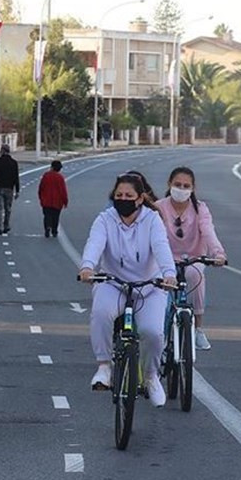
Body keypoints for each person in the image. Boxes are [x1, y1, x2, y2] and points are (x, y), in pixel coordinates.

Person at [78, 173, 178, 408]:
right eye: (119, 195)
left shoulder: (152, 220)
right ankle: (104, 366)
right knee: (101, 314)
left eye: (129, 196)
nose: (123, 199)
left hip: (149, 287)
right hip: (114, 284)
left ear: (140, 198)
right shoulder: (105, 219)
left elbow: (161, 247)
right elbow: (94, 243)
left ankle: (152, 377)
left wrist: (169, 274)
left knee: (153, 332)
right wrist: (87, 267)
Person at [154, 166, 228, 350]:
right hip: (164, 261)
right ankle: (159, 335)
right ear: (169, 184)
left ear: (193, 188)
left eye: (186, 186)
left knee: (195, 276)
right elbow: (154, 236)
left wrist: (218, 253)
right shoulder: (158, 207)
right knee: (160, 293)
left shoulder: (200, 208)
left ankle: (198, 329)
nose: (181, 189)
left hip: (192, 259)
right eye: (177, 184)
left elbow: (208, 231)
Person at [0, 143, 19, 235]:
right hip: (9, 188)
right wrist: (17, 190)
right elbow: (16, 177)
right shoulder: (14, 163)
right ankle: (6, 225)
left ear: (2, 151)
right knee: (8, 208)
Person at [38, 160, 68, 238]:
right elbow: (63, 191)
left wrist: (41, 198)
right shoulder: (60, 178)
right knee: (56, 216)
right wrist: (65, 201)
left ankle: (47, 227)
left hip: (46, 200)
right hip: (57, 201)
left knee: (47, 215)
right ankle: (54, 230)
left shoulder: (46, 176)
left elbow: (41, 188)